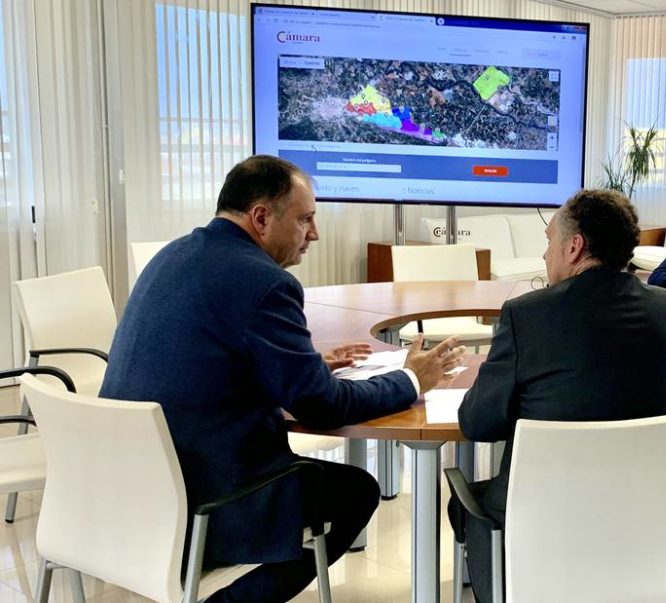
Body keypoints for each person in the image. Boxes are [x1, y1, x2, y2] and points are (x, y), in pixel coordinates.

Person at [100, 155, 464, 603]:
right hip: (207, 494)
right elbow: (322, 406)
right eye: (305, 219)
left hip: (128, 487)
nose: (315, 233)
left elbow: (205, 358)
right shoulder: (264, 282)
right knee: (355, 492)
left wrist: (300, 365)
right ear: (260, 218)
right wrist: (411, 379)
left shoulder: (172, 255)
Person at [450, 188, 666, 602]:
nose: (544, 255)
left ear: (574, 247)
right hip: (646, 520)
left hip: (545, 526)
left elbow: (477, 423)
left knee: (465, 501)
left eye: (549, 242)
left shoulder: (527, 314)